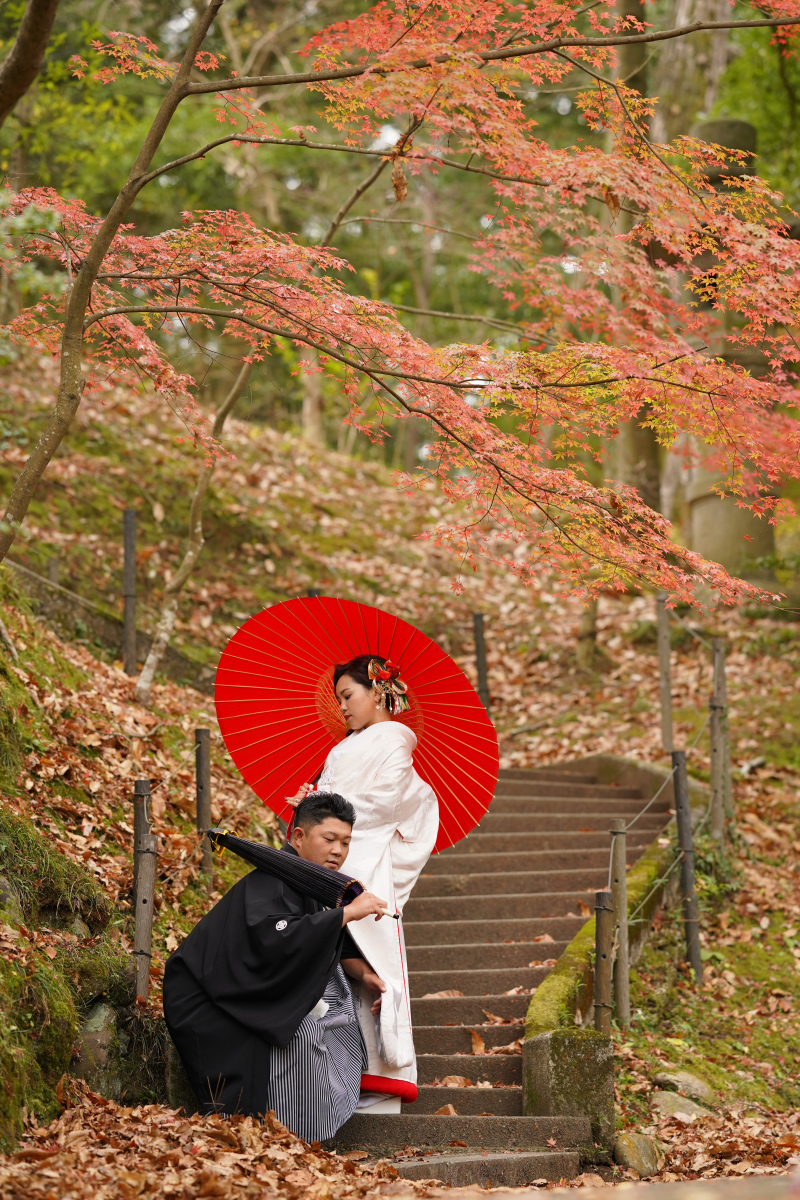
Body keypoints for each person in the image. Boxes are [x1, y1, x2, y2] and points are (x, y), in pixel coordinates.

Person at [163, 791, 388, 1140]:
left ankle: (308, 1127)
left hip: (244, 993)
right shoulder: (271, 881)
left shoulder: (306, 881)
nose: (338, 851)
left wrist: (365, 974)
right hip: (209, 1001)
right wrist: (345, 913)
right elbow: (275, 939)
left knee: (341, 1017)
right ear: (298, 837)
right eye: (328, 839)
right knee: (303, 1035)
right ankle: (288, 1134)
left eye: (345, 843)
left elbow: (327, 941)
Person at [290, 655, 439, 1098]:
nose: (343, 708)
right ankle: (330, 1070)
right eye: (338, 700)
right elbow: (333, 805)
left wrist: (324, 796)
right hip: (336, 854)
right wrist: (311, 804)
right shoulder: (340, 748)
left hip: (367, 858)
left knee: (371, 962)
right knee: (332, 954)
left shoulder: (396, 740)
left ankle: (384, 1071)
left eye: (348, 696)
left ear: (378, 691)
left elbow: (383, 804)